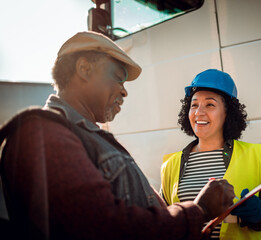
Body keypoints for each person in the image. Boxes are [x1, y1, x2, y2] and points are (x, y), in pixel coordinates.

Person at [0, 32, 236, 240]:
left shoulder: (85, 136)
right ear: (84, 69)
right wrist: (199, 210)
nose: (124, 90)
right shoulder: (43, 133)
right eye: (117, 77)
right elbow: (104, 227)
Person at [160, 69, 261, 239]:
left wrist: (260, 211)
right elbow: (163, 222)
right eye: (194, 105)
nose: (198, 112)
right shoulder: (171, 164)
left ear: (228, 113)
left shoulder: (253, 154)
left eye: (210, 104)